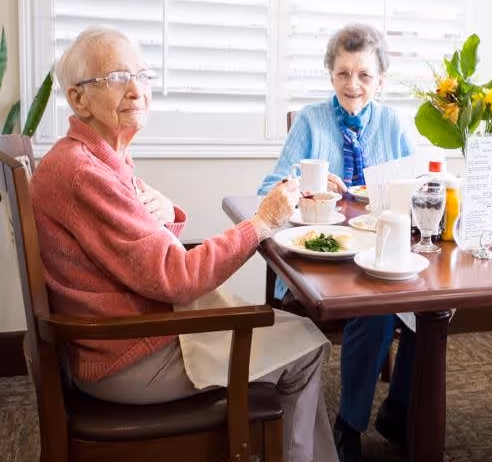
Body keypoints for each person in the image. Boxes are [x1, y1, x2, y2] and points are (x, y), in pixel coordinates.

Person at [30, 26, 338, 462]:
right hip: (125, 356)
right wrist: (264, 221)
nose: (137, 90)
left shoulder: (92, 157)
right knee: (306, 343)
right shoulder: (85, 173)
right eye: (117, 78)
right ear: (78, 99)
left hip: (126, 334)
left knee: (290, 330)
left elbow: (141, 256)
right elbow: (178, 279)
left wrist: (163, 213)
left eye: (142, 74)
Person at [258, 24, 416, 461]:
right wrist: (302, 186)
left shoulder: (391, 122)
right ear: (331, 75)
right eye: (343, 73)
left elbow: (414, 181)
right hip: (322, 258)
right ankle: (350, 423)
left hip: (377, 248)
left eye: (365, 75)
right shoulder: (311, 121)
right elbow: (267, 190)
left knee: (430, 307)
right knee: (375, 311)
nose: (353, 84)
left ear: (380, 80)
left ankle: (399, 411)